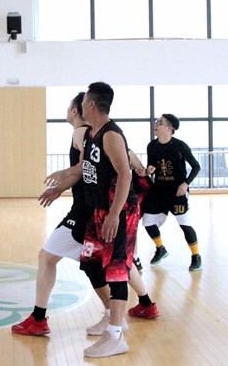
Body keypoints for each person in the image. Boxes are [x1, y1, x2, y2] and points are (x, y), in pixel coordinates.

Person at [13, 95, 156, 337]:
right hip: (95, 208)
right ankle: (144, 304)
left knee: (51, 258)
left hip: (86, 211)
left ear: (75, 110)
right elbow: (123, 157)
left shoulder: (82, 133)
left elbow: (87, 167)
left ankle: (42, 318)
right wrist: (140, 168)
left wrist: (62, 183)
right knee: (113, 261)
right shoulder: (99, 134)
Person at [142, 113, 203, 271]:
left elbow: (196, 167)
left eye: (160, 122)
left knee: (184, 224)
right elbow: (151, 166)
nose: (156, 124)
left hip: (177, 193)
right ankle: (160, 248)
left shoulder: (180, 146)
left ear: (169, 128)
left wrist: (186, 183)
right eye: (157, 121)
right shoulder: (152, 146)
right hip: (159, 192)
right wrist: (149, 169)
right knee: (147, 221)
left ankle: (196, 256)